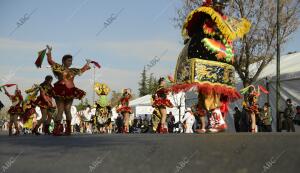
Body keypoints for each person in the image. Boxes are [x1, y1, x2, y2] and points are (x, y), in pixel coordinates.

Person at [171, 0, 251, 133]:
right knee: (204, 92)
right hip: (209, 61)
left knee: (210, 90)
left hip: (211, 61)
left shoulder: (216, 20)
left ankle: (218, 120)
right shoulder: (207, 17)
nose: (219, 6)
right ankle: (211, 122)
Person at [46, 45, 91, 136]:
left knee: (67, 110)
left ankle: (68, 130)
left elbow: (81, 71)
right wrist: (49, 52)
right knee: (60, 110)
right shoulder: (59, 67)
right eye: (68, 60)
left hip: (70, 90)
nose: (70, 62)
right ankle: (57, 129)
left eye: (71, 61)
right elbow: (50, 61)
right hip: (60, 89)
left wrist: (87, 64)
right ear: (63, 61)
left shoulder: (73, 70)